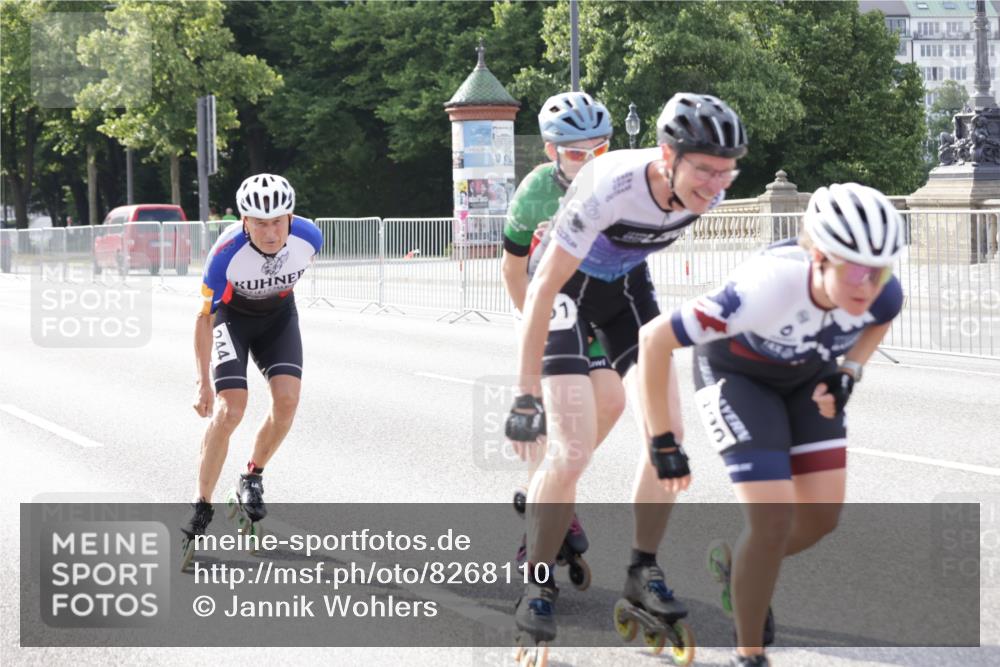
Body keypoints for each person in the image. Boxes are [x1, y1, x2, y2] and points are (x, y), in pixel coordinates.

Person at [507, 92, 748, 645]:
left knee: (669, 437)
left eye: (727, 173)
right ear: (668, 155)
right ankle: (537, 581)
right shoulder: (610, 184)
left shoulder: (702, 193)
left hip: (626, 291)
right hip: (566, 288)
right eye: (705, 171)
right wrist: (526, 394)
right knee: (569, 448)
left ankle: (642, 567)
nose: (715, 186)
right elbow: (541, 285)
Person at [636, 182, 904, 666]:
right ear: (819, 256)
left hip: (808, 377)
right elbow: (654, 339)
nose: (868, 285)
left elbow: (882, 318)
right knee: (772, 521)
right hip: (738, 375)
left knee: (822, 520)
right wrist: (662, 440)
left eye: (880, 270)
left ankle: (743, 566)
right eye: (857, 269)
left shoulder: (881, 292)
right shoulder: (765, 287)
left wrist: (849, 371)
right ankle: (749, 654)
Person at [501, 91, 623, 579]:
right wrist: (531, 320)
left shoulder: (619, 186)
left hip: (596, 309)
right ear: (552, 151)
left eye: (600, 150)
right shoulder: (533, 193)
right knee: (549, 428)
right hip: (546, 308)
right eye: (577, 152)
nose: (590, 161)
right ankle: (539, 535)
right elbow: (511, 268)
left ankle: (555, 491)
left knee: (610, 401)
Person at [180, 173, 323, 566]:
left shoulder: (310, 238)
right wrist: (201, 382)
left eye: (278, 220)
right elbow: (203, 317)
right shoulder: (225, 253)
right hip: (232, 319)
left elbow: (284, 280)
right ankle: (201, 504)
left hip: (278, 318)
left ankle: (252, 476)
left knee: (288, 401)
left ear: (290, 217)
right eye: (260, 222)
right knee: (231, 411)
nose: (271, 231)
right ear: (244, 221)